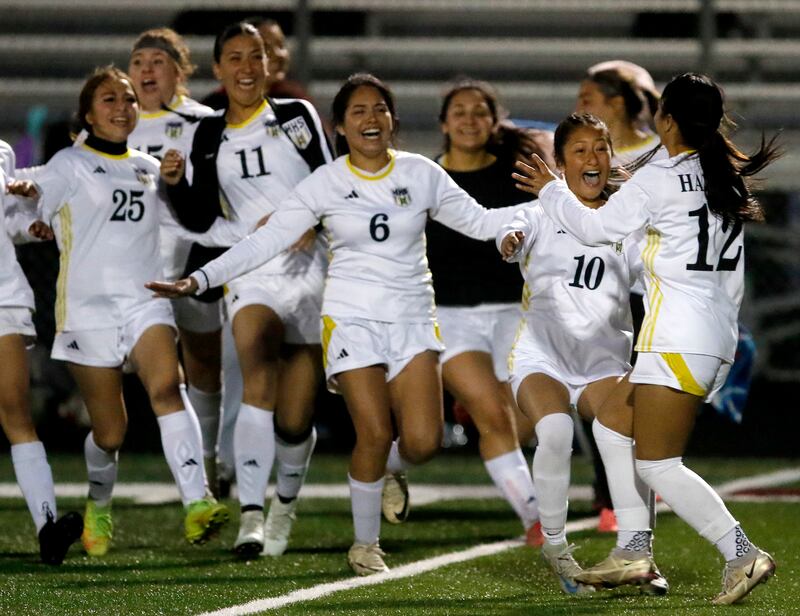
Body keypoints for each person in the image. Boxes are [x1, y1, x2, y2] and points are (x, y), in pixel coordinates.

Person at [147, 72, 527, 576]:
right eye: (359, 112)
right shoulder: (324, 182)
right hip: (351, 320)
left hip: (413, 316)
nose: (371, 119)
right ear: (340, 128)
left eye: (379, 110)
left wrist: (549, 210)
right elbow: (263, 243)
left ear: (392, 119)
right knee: (372, 431)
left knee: (422, 441)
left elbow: (482, 221)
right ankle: (365, 546)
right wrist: (199, 279)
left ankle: (392, 472)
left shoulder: (421, 173)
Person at [512, 73, 779, 605]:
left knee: (658, 463)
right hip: (712, 332)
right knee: (613, 422)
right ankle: (634, 552)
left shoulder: (660, 177)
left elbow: (594, 228)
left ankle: (742, 553)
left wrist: (549, 187)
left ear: (668, 119)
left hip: (677, 336)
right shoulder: (721, 172)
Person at [8, 66, 229, 557]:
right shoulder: (69, 163)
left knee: (168, 387)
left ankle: (198, 502)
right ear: (87, 114)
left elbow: (193, 223)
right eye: (109, 99)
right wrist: (32, 211)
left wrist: (179, 184)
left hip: (145, 299)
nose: (122, 107)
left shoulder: (151, 168)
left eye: (128, 99)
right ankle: (98, 502)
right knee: (110, 433)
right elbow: (32, 198)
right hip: (88, 310)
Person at [159, 22, 333, 558]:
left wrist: (313, 220)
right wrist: (174, 183)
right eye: (234, 57)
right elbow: (198, 215)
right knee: (257, 369)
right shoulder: (206, 133)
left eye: (254, 56)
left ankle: (284, 506)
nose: (246, 67)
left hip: (310, 270)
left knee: (296, 417)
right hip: (251, 270)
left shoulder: (296, 117)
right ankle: (252, 518)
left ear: (267, 64)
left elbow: (332, 181)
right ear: (218, 69)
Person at [498, 113, 669, 596]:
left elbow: (650, 277)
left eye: (600, 148)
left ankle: (640, 554)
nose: (592, 158)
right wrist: (509, 241)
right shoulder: (536, 213)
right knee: (553, 430)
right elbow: (510, 234)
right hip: (543, 357)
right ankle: (558, 549)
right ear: (560, 162)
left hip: (604, 362)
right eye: (579, 150)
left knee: (627, 441)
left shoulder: (625, 223)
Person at [424, 79, 540, 541]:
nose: (469, 120)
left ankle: (390, 460)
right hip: (451, 317)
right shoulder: (425, 177)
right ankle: (536, 519)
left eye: (479, 111)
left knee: (527, 425)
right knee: (494, 418)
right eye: (459, 111)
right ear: (443, 123)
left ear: (495, 122)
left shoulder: (517, 174)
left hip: (515, 312)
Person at [127, 27, 226, 496]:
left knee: (204, 361)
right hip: (130, 265)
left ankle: (207, 457)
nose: (146, 70)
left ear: (180, 71)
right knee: (159, 371)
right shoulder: (111, 118)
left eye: (157, 61)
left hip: (193, 257)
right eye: (138, 61)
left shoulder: (203, 121)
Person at [1, 146, 83, 565]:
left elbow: (6, 222)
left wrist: (29, 227)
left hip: (2, 297)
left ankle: (47, 528)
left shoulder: (1, 153)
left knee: (16, 413)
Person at [576, 60, 662, 168]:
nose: (578, 109)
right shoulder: (576, 157)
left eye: (586, 101)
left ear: (617, 103)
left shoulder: (664, 154)